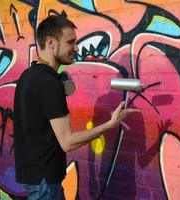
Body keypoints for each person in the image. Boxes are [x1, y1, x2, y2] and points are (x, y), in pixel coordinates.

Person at [13, 15, 138, 200]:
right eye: (70, 42)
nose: (76, 48)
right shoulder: (49, 83)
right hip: (45, 183)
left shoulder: (28, 75)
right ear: (51, 42)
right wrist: (109, 125)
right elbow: (68, 142)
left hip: (33, 178)